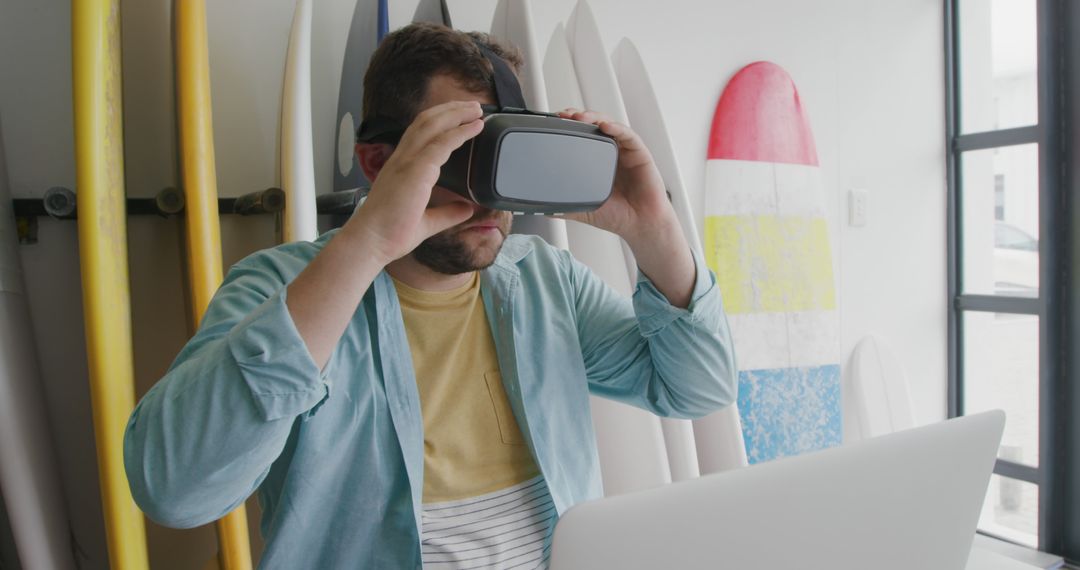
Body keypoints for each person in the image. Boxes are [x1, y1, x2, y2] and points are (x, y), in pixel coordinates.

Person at [124, 22, 736, 569]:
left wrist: (652, 229)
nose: (490, 196)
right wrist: (366, 245)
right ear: (376, 161)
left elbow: (697, 388)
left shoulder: (543, 281)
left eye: (506, 155)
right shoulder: (281, 290)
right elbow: (176, 492)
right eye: (461, 154)